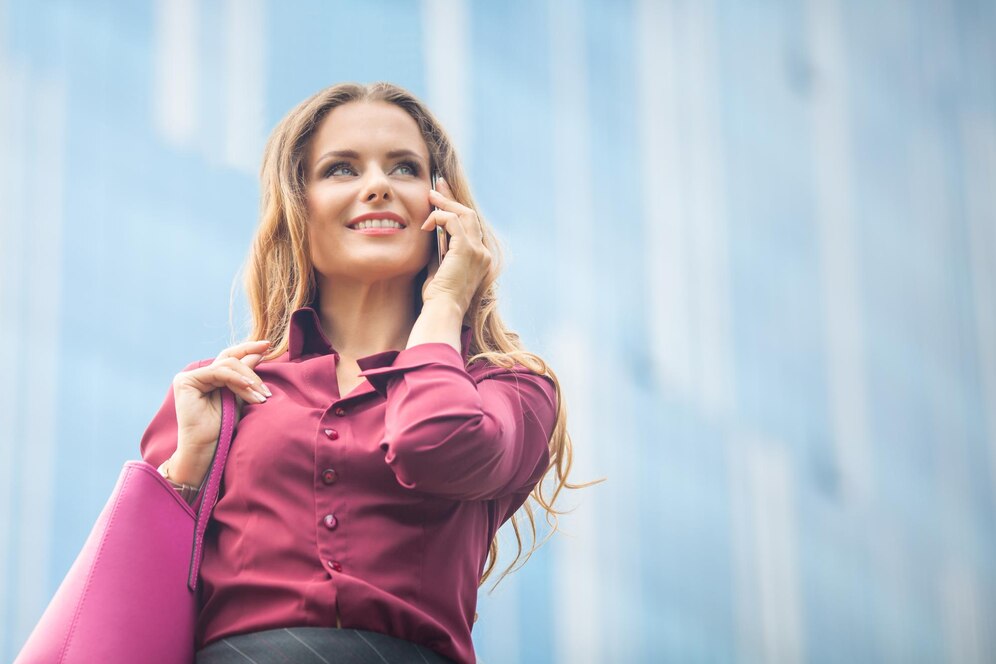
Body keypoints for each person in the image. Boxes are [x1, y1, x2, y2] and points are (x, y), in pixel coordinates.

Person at [140, 81, 584, 664]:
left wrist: (447, 302)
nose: (377, 185)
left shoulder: (511, 390)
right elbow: (140, 592)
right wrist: (187, 470)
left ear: (443, 207)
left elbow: (434, 442)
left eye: (403, 168)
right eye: (341, 170)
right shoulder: (218, 390)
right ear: (298, 207)